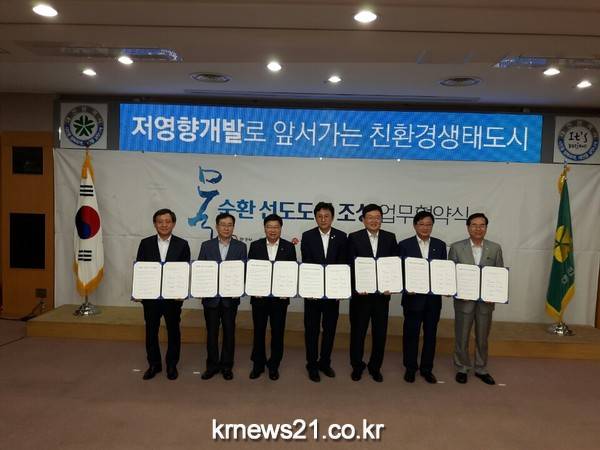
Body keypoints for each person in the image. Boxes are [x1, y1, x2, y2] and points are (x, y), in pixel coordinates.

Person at [448, 212, 504, 385]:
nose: (478, 229)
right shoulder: (457, 247)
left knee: (482, 337)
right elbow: (450, 275)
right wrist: (455, 290)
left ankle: (481, 368)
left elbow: (499, 274)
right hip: (464, 302)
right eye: (474, 225)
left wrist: (494, 294)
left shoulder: (495, 248)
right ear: (468, 227)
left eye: (482, 225)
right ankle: (462, 367)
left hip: (485, 303)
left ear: (486, 228)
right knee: (462, 336)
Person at [136, 208, 191, 381]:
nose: (164, 225)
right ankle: (154, 364)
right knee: (151, 331)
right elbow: (140, 269)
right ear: (155, 224)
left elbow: (185, 271)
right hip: (150, 298)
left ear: (173, 224)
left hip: (172, 298)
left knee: (173, 331)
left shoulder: (182, 244)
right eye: (160, 222)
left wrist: (182, 293)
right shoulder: (145, 243)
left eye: (167, 221)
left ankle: (172, 364)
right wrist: (138, 291)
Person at [347, 204, 398, 382]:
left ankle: (375, 367)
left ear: (381, 219)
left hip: (382, 297)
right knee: (358, 333)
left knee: (380, 334)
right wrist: (357, 286)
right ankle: (357, 366)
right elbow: (350, 266)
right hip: (360, 297)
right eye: (370, 217)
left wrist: (392, 284)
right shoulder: (354, 237)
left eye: (377, 217)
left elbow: (394, 265)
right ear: (363, 219)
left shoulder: (390, 238)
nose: (374, 220)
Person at [300, 202, 348, 382]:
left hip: (333, 294)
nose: (323, 219)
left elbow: (343, 265)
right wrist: (311, 288)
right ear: (315, 217)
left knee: (329, 330)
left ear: (332, 217)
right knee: (311, 330)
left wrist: (339, 289)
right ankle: (312, 364)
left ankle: (325, 363)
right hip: (312, 294)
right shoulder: (307, 236)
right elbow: (307, 263)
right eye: (319, 216)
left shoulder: (341, 236)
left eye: (326, 216)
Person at [398, 211, 447, 384]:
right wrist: (406, 286)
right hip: (412, 299)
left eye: (428, 224)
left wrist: (446, 286)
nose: (425, 228)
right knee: (410, 334)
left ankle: (427, 369)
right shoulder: (404, 245)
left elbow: (443, 271)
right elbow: (399, 271)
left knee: (430, 335)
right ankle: (410, 368)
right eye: (421, 224)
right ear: (415, 225)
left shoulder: (440, 245)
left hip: (433, 301)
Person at [197, 213, 247, 381]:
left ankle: (227, 366)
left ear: (233, 227)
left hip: (230, 299)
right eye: (223, 225)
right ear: (217, 226)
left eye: (230, 225)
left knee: (229, 332)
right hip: (211, 299)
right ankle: (211, 366)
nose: (226, 228)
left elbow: (243, 272)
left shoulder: (241, 247)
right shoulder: (206, 246)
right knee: (211, 333)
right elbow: (200, 271)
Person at [248, 214, 297, 381]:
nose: (273, 230)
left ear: (281, 228)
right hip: (259, 299)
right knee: (258, 332)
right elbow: (251, 271)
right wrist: (254, 289)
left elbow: (292, 273)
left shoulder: (289, 247)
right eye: (269, 227)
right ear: (264, 228)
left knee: (278, 333)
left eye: (276, 227)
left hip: (279, 300)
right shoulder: (255, 246)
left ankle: (274, 365)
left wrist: (287, 291)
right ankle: (258, 364)